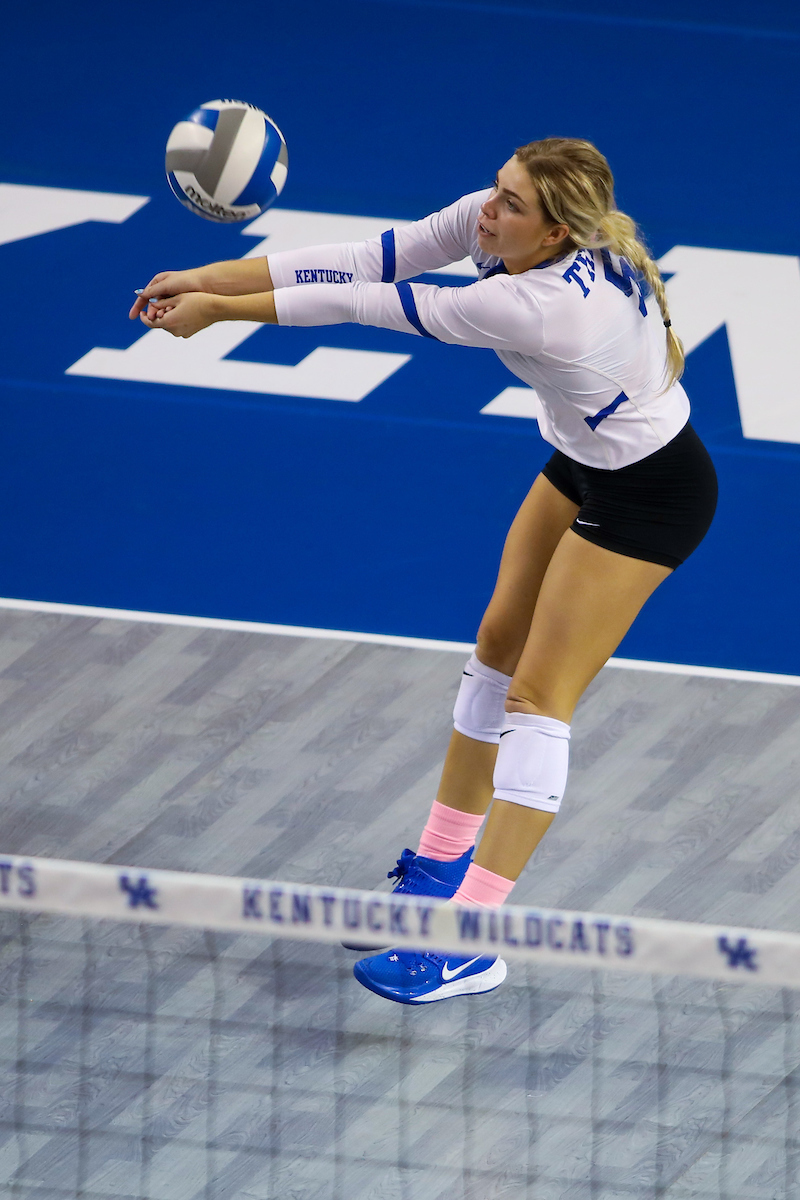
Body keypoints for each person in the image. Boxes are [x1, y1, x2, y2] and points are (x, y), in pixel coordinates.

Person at [130, 137, 718, 1006]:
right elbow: (363, 257)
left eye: (512, 204)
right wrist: (206, 276)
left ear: (555, 232)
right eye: (497, 188)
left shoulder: (534, 306)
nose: (489, 209)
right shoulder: (508, 228)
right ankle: (437, 876)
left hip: (653, 495)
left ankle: (471, 941)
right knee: (495, 650)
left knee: (538, 699)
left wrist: (218, 312)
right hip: (583, 460)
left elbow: (362, 301)